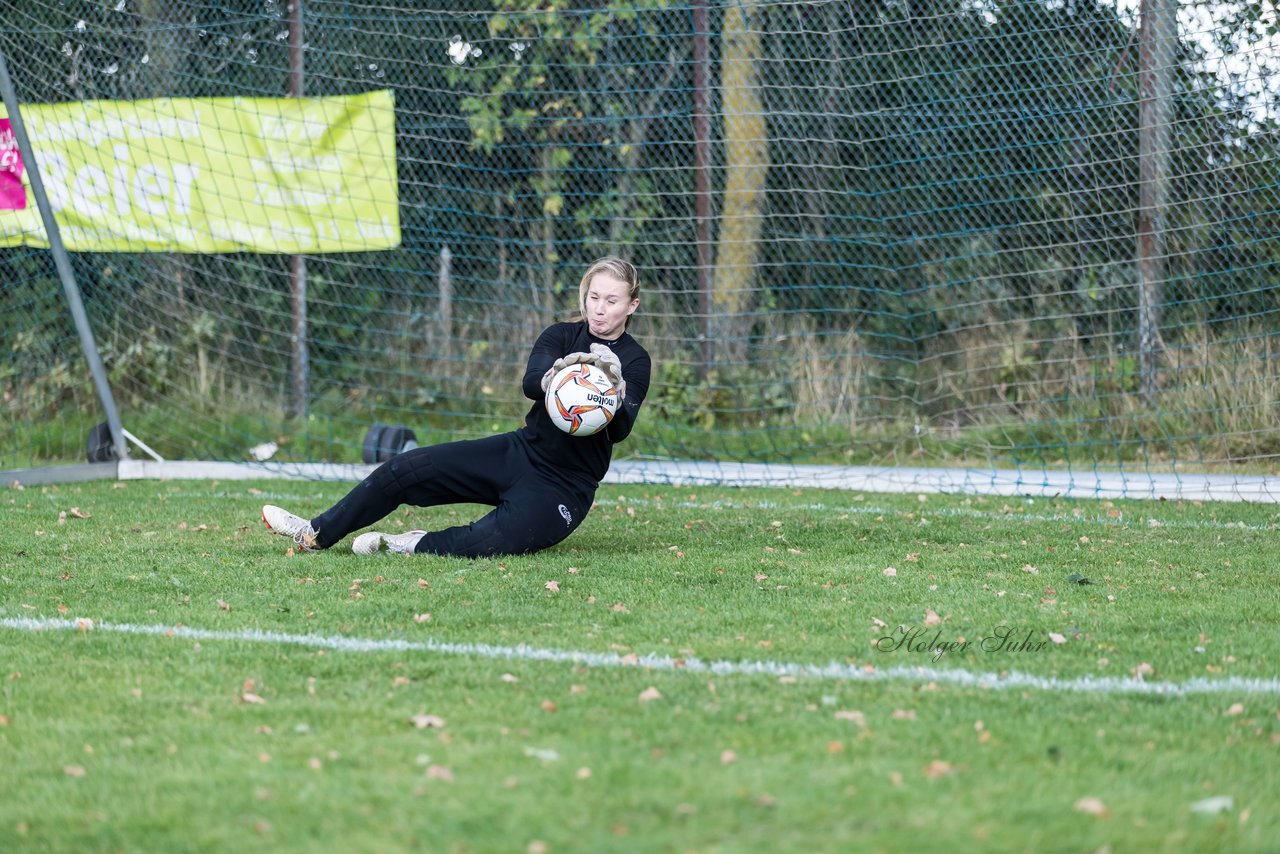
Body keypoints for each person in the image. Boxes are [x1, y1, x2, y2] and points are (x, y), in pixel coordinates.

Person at [261, 256, 651, 557]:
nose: (599, 308)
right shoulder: (561, 335)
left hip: (566, 485)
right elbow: (531, 383)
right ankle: (315, 531)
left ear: (631, 305)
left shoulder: (635, 361)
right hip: (520, 453)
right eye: (593, 297)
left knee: (493, 539)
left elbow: (621, 430)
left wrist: (613, 395)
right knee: (406, 468)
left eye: (611, 300)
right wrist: (555, 377)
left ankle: (409, 544)